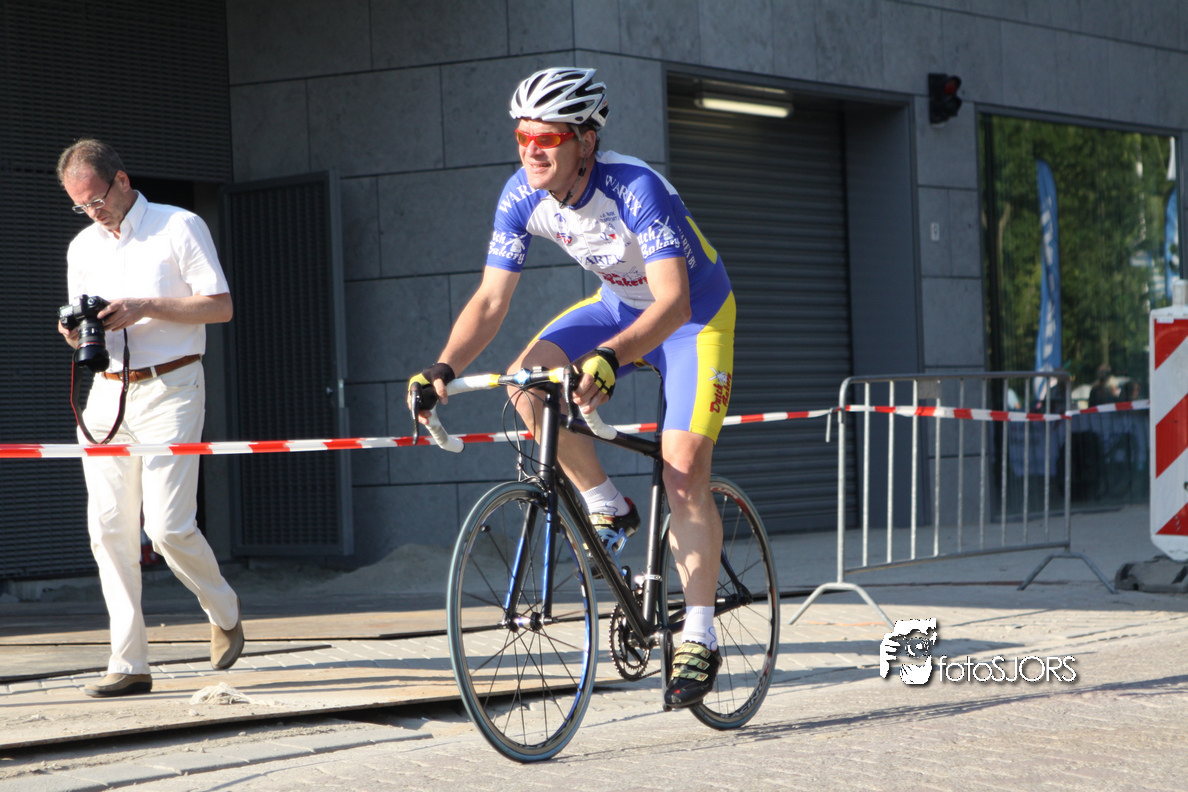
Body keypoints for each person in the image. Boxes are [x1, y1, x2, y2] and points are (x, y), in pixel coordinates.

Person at [410, 68, 735, 709]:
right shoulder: (520, 195)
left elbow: (673, 302)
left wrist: (610, 358)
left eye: (548, 138)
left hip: (694, 319)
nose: (532, 150)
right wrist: (441, 367)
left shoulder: (635, 188)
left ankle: (699, 633)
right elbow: (491, 300)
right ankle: (607, 502)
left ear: (585, 141)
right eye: (523, 136)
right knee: (525, 386)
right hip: (617, 306)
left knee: (682, 471)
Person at [56, 139, 244, 698]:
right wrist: (74, 333)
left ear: (121, 180)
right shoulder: (82, 246)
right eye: (80, 206)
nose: (93, 212)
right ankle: (129, 662)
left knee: (166, 527)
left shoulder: (178, 225)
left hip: (172, 387)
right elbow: (82, 322)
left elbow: (220, 306)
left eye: (96, 199)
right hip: (106, 392)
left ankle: (223, 607)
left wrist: (145, 306)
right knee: (108, 528)